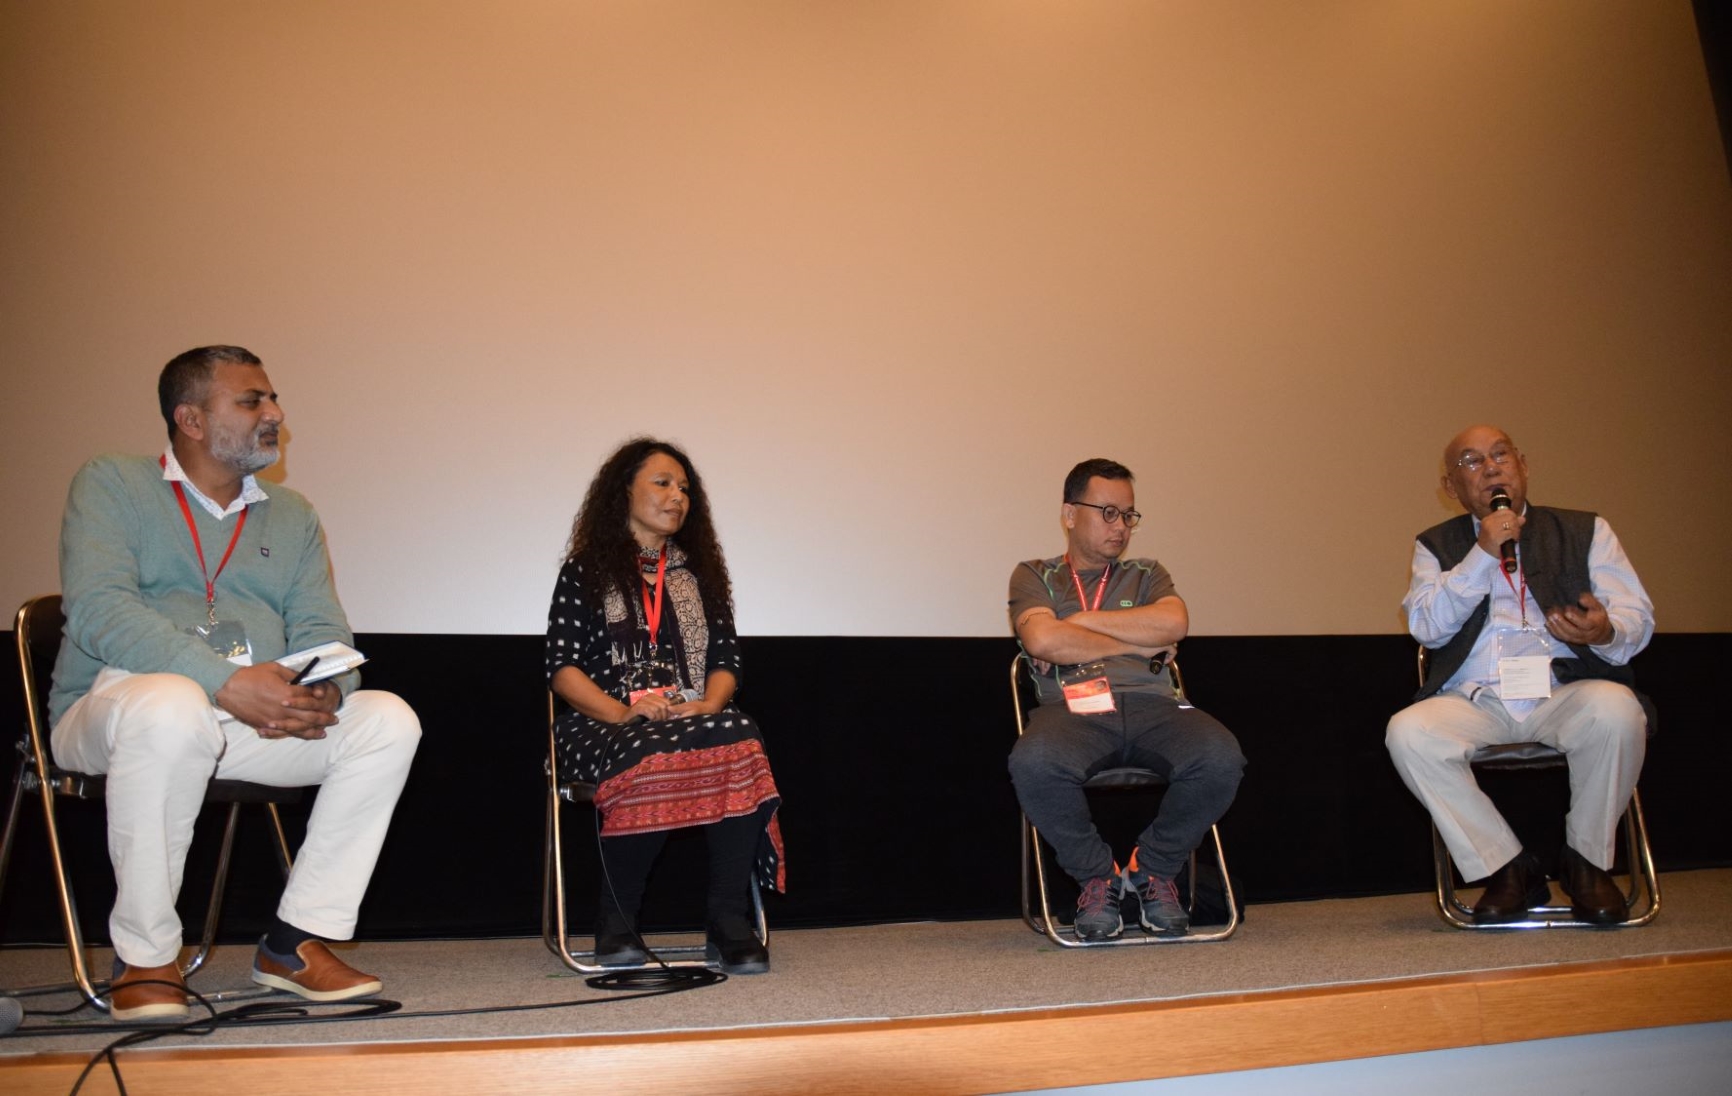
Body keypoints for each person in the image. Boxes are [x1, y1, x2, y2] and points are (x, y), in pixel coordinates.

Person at [49, 346, 422, 1021]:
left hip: (246, 720)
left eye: (272, 399)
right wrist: (226, 684)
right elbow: (100, 611)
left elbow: (322, 630)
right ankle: (147, 956)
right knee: (171, 703)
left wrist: (322, 692)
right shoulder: (111, 483)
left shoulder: (293, 513)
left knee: (386, 718)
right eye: (251, 400)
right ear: (190, 420)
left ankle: (295, 942)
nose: (274, 413)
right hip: (116, 708)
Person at [1386, 425, 1654, 925]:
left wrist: (1603, 631)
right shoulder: (1436, 545)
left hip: (1564, 691)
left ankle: (1587, 862)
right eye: (1471, 462)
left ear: (1523, 466)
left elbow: (1636, 622)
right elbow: (1427, 628)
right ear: (1451, 487)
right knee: (1409, 731)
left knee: (1618, 709)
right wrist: (1481, 555)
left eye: (1500, 455)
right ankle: (1509, 870)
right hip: (1476, 697)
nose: (1490, 468)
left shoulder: (1586, 530)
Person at [545, 438, 783, 974]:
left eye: (685, 488)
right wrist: (620, 711)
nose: (677, 496)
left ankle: (728, 921)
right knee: (651, 748)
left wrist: (708, 704)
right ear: (623, 491)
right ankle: (618, 923)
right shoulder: (584, 571)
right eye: (662, 483)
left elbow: (726, 661)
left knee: (739, 733)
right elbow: (562, 669)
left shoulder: (699, 575)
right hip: (600, 725)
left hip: (687, 720)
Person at [1007, 458, 1245, 940]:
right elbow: (1043, 644)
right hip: (1071, 711)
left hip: (1155, 706)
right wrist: (1138, 641)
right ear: (1070, 514)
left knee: (1221, 757)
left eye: (1129, 515)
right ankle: (1098, 879)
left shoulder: (1147, 572)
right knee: (1033, 762)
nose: (1121, 527)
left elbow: (1174, 625)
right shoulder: (1034, 574)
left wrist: (1072, 624)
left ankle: (1152, 871)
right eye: (1108, 512)